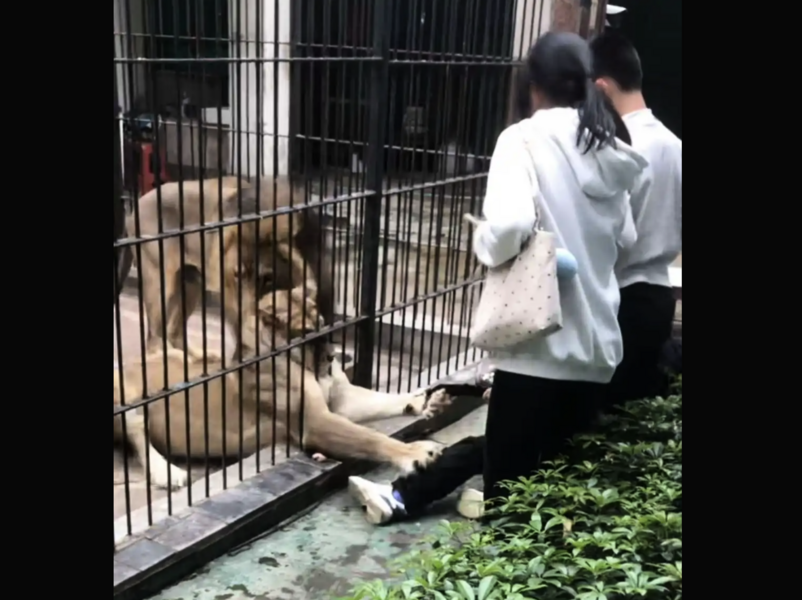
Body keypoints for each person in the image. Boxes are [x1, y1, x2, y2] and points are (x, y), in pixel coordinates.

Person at [348, 31, 648, 525]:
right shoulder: (608, 145)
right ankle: (407, 495)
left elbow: (509, 226)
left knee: (512, 510)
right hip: (596, 353)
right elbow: (627, 238)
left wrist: (485, 243)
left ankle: (406, 498)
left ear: (533, 85)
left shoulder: (523, 139)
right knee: (558, 504)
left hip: (538, 351)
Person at [589, 31, 682, 408]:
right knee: (634, 414)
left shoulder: (617, 148)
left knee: (599, 415)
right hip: (660, 297)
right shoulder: (675, 145)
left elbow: (611, 236)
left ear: (601, 86)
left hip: (619, 297)